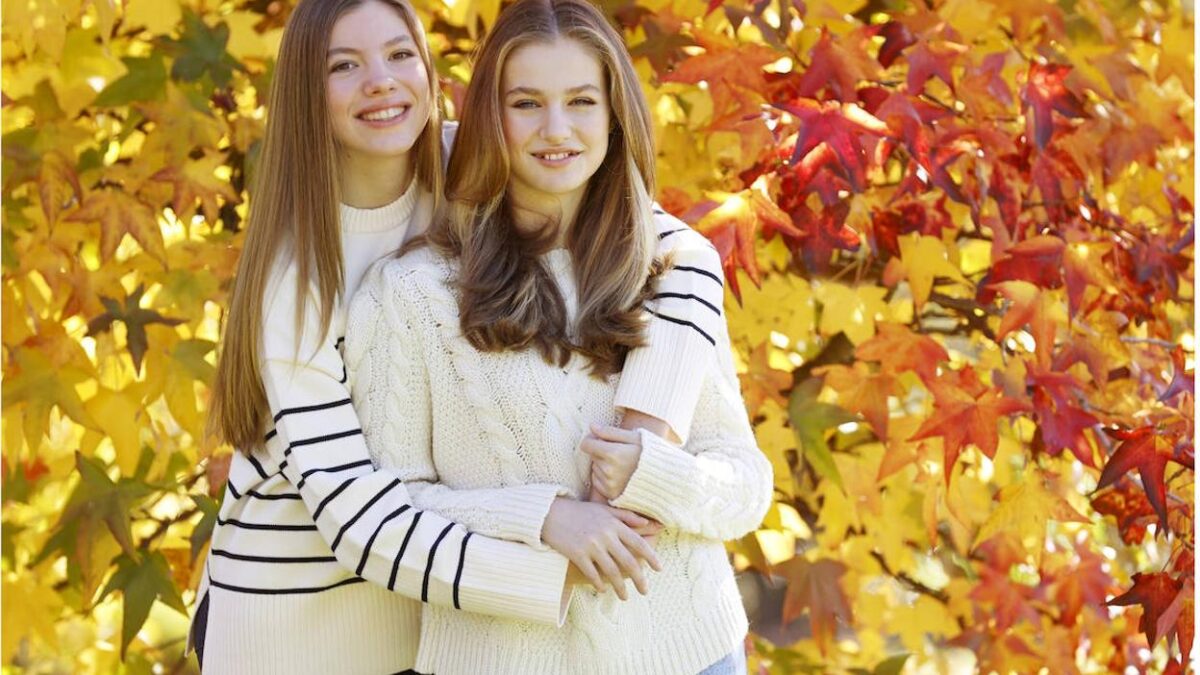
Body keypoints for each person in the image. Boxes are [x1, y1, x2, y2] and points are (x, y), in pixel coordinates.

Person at [191, 0, 732, 672]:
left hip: (433, 611)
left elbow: (672, 248)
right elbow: (359, 519)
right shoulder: (298, 283)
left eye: (399, 55)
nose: (381, 81)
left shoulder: (471, 159)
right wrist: (557, 545)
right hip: (301, 623)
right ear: (307, 93)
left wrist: (649, 425)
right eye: (344, 65)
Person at [343, 0, 774, 672]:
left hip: (689, 650)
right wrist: (546, 518)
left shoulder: (671, 271)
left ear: (613, 117)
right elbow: (391, 510)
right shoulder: (414, 293)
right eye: (526, 103)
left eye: (581, 102)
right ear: (491, 118)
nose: (556, 129)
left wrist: (657, 474)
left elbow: (745, 484)